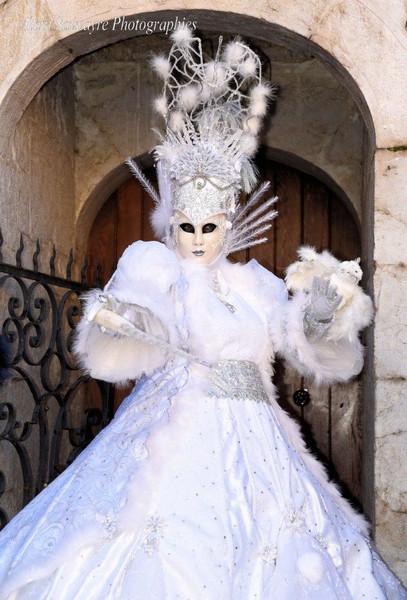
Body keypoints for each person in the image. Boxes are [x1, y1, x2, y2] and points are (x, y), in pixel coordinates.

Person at [0, 26, 405, 600]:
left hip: (259, 439)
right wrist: (124, 320)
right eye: (186, 226)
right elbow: (127, 338)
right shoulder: (152, 267)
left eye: (209, 226)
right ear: (171, 222)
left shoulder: (256, 285)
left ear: (229, 222)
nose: (196, 238)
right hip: (172, 427)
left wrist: (322, 312)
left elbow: (305, 346)